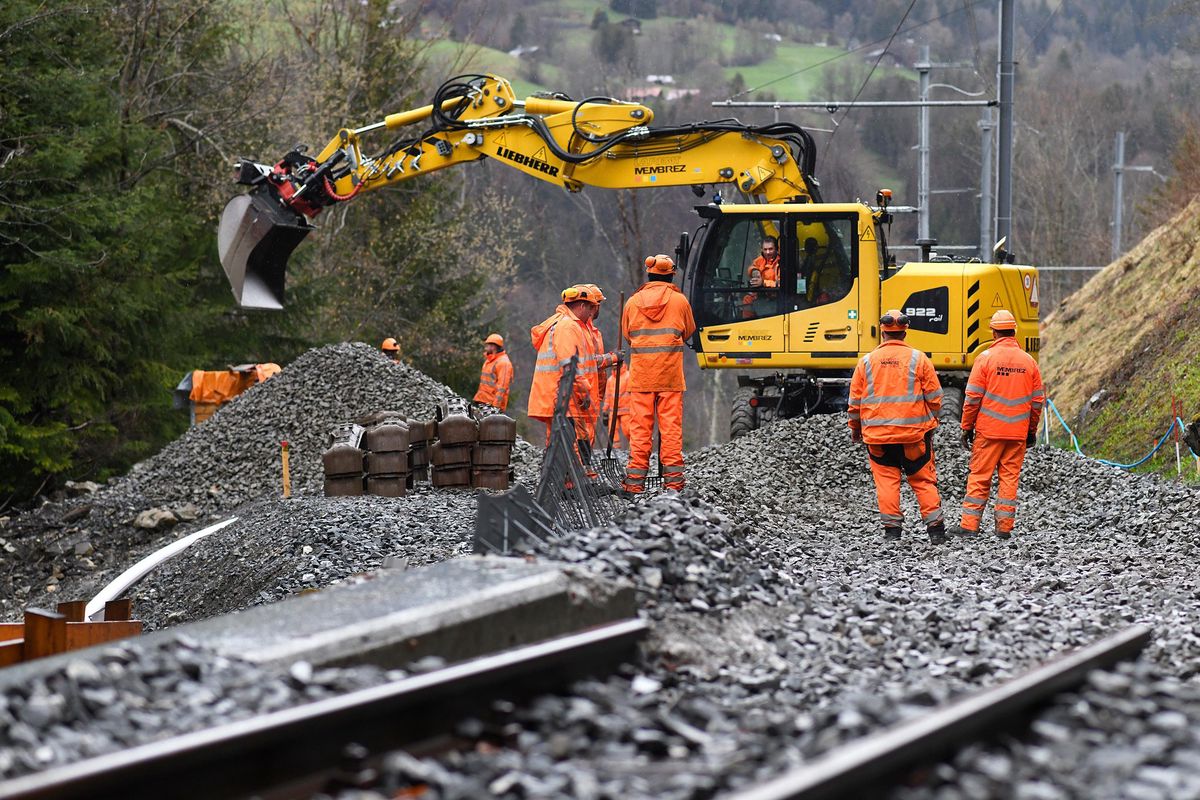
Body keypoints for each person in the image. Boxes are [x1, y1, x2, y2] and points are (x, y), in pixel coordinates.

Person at [847, 309, 947, 543]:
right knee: (923, 481)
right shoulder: (919, 359)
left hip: (878, 439)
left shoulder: (866, 362)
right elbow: (935, 398)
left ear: (882, 332)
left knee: (886, 483)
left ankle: (892, 532)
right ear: (905, 332)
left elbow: (854, 403)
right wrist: (932, 423)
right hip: (913, 437)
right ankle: (936, 531)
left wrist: (855, 429)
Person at [954, 309, 1045, 539]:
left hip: (989, 432)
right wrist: (1031, 431)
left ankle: (969, 526)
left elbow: (972, 398)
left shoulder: (985, 359)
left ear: (993, 332)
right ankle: (1004, 529)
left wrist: (966, 427)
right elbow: (1037, 402)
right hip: (1017, 434)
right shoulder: (1029, 362)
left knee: (979, 477)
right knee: (1009, 479)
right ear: (1014, 331)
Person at [622, 254, 697, 494]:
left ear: (649, 274)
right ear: (671, 275)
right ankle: (673, 483)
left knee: (640, 431)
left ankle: (635, 484)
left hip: (641, 377)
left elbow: (628, 335)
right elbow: (689, 330)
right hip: (670, 376)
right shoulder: (680, 301)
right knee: (671, 430)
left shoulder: (632, 303)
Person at [527, 286, 604, 471]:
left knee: (560, 444)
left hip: (560, 395)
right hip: (564, 396)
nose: (592, 313)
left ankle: (562, 480)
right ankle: (567, 481)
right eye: (591, 308)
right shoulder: (568, 326)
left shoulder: (564, 324)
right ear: (582, 305)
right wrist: (584, 392)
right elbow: (569, 365)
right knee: (567, 446)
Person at [473, 333, 514, 413]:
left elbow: (502, 387)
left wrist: (495, 408)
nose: (485, 348)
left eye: (487, 345)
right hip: (483, 402)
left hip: (492, 407)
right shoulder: (489, 361)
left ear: (493, 346)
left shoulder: (503, 363)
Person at [602, 361, 631, 448]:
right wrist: (605, 409)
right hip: (613, 410)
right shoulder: (610, 380)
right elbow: (608, 396)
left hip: (626, 409)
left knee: (628, 429)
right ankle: (615, 448)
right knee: (612, 430)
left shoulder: (628, 376)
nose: (614, 367)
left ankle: (634, 446)